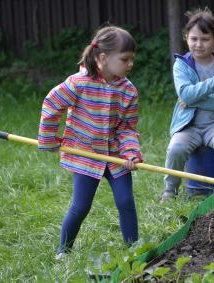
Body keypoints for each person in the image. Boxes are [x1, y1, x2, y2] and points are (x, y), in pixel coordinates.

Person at [37, 25, 142, 259]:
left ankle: (134, 249)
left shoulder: (128, 91)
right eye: (125, 59)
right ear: (103, 58)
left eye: (132, 59)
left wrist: (130, 154)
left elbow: (127, 128)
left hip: (115, 156)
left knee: (126, 201)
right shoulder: (78, 83)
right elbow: (52, 104)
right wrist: (49, 138)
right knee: (81, 206)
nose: (130, 64)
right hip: (85, 154)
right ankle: (63, 252)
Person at [161, 9, 214, 201]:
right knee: (175, 148)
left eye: (205, 39)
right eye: (194, 39)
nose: (198, 44)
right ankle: (170, 191)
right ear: (186, 38)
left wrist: (194, 98)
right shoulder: (182, 65)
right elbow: (185, 94)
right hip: (189, 127)